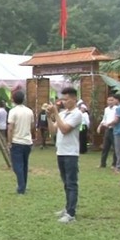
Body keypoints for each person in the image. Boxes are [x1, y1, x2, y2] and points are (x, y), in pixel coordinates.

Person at [47, 87, 82, 224]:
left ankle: (71, 213)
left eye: (67, 99)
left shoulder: (77, 114)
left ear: (74, 99)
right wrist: (50, 117)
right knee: (66, 183)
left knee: (71, 183)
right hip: (60, 152)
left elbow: (65, 129)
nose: (64, 102)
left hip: (71, 153)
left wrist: (56, 113)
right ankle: (68, 207)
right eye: (63, 99)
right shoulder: (63, 113)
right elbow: (53, 131)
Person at [8, 91, 34, 195]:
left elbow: (10, 128)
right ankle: (23, 184)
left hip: (17, 141)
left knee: (17, 166)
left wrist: (9, 142)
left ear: (13, 100)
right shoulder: (29, 111)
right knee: (24, 164)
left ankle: (21, 187)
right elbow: (32, 126)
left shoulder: (13, 111)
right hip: (27, 141)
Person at [106, 94, 120, 173]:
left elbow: (116, 120)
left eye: (114, 99)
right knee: (119, 150)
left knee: (118, 150)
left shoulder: (119, 108)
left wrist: (108, 124)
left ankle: (119, 168)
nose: (113, 101)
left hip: (119, 131)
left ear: (117, 100)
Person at [98, 95, 117, 168]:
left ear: (114, 101)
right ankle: (103, 163)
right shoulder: (106, 109)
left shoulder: (116, 109)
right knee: (105, 147)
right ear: (107, 101)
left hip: (114, 129)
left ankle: (114, 164)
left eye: (112, 100)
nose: (110, 102)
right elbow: (104, 119)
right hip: (107, 129)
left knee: (115, 147)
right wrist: (100, 126)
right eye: (109, 100)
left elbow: (116, 120)